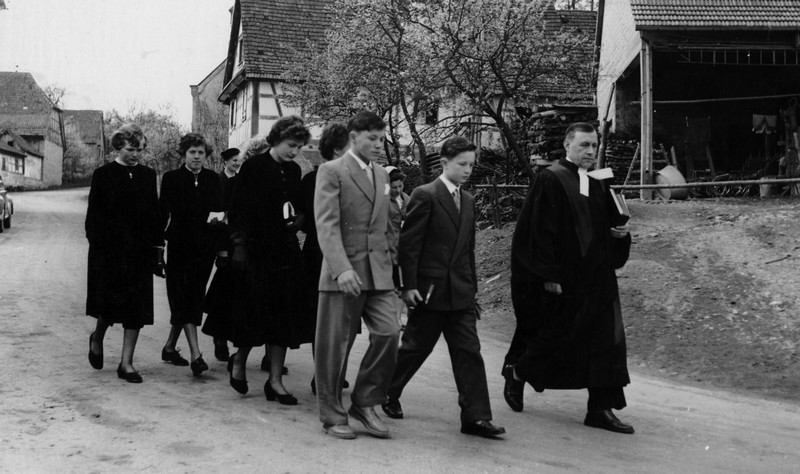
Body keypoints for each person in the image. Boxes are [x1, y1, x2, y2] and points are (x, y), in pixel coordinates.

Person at [503, 122, 634, 434]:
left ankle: (600, 409)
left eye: (594, 146)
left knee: (606, 341)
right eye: (583, 145)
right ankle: (518, 372)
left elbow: (608, 228)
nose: (590, 151)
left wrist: (621, 235)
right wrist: (548, 274)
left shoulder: (599, 182)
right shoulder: (551, 178)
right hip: (566, 279)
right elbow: (538, 232)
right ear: (567, 145)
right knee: (557, 337)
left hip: (598, 278)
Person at [380, 137, 505, 439]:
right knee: (415, 348)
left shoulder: (469, 201)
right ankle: (386, 392)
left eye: (471, 165)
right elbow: (409, 246)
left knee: (469, 351)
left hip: (460, 292)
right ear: (445, 163)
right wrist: (408, 286)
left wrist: (472, 292)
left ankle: (475, 417)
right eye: (462, 164)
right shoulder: (425, 195)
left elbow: (468, 250)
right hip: (430, 291)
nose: (468, 170)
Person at [314, 111, 400, 440]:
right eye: (372, 139)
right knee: (336, 347)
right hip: (343, 274)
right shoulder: (332, 171)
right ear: (354, 138)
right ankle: (332, 415)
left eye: (382, 139)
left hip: (379, 274)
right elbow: (326, 225)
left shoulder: (382, 174)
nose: (379, 145)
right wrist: (341, 268)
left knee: (389, 333)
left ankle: (364, 402)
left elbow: (387, 228)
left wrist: (397, 273)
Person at [227, 115, 316, 406]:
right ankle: (239, 361)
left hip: (285, 251)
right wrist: (239, 247)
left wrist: (299, 218)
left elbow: (298, 206)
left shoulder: (294, 170)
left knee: (283, 318)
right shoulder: (253, 167)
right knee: (255, 314)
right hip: (256, 252)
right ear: (275, 140)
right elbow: (238, 211)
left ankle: (275, 381)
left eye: (299, 147)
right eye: (291, 145)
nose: (295, 151)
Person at [85, 123, 163, 384]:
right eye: (131, 149)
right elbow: (93, 217)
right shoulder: (103, 174)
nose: (135, 155)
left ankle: (126, 364)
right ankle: (97, 338)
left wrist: (157, 248)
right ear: (118, 147)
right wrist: (100, 248)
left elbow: (153, 214)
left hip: (139, 252)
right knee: (108, 305)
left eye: (139, 150)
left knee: (136, 309)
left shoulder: (148, 175)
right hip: (110, 253)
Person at [159, 133, 222, 377]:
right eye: (192, 152)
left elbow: (220, 212)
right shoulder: (171, 179)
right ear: (184, 154)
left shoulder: (212, 179)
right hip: (179, 247)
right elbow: (162, 214)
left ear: (206, 155)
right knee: (183, 297)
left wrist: (218, 238)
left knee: (192, 297)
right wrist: (158, 249)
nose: (196, 157)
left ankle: (169, 347)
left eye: (201, 153)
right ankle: (196, 355)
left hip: (204, 249)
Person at [297, 122, 350, 396]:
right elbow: (304, 218)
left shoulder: (352, 177)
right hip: (319, 253)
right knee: (322, 316)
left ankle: (333, 373)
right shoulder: (313, 180)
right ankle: (322, 374)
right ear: (338, 149)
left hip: (338, 252)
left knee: (344, 319)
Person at [202, 147, 241, 362]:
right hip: (224, 240)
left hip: (239, 241)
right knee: (223, 291)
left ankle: (228, 338)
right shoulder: (218, 181)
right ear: (225, 161)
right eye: (234, 160)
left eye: (239, 160)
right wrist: (221, 249)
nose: (237, 164)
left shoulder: (241, 181)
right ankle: (219, 338)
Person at [384, 166, 410, 328]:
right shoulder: (383, 200)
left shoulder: (407, 198)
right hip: (387, 248)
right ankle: (388, 318)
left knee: (402, 284)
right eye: (394, 187)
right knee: (389, 285)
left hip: (404, 248)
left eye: (400, 186)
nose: (398, 190)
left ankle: (398, 318)